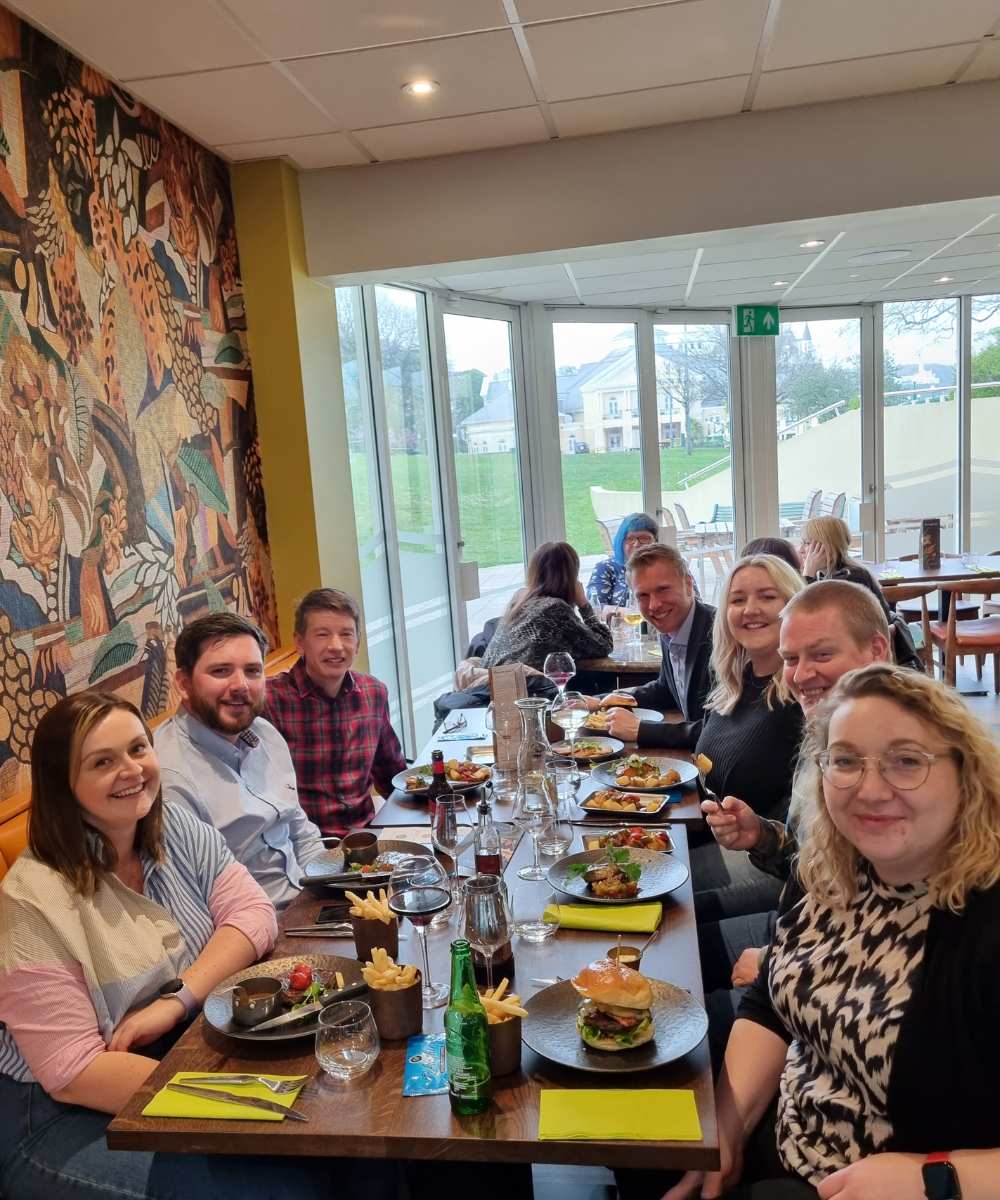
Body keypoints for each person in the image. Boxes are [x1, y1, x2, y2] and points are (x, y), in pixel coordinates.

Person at [0, 691, 404, 1200]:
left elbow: (254, 915)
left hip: (180, 1047)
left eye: (137, 749)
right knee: (285, 1185)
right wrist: (250, 1102)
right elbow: (74, 1072)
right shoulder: (33, 898)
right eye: (102, 762)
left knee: (363, 1140)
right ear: (63, 782)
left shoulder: (170, 828)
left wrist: (177, 1000)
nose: (131, 770)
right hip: (62, 1118)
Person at [658, 665, 1000, 1200]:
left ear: (966, 773)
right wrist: (728, 1123)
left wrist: (935, 1176)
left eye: (906, 761)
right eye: (845, 761)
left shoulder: (984, 919)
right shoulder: (828, 866)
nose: (870, 789)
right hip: (794, 1128)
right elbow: (770, 1000)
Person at [698, 581, 894, 1068]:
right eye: (791, 659)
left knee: (676, 1015)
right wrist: (761, 836)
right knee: (671, 952)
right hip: (799, 933)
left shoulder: (898, 762)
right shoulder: (828, 732)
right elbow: (816, 865)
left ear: (877, 649)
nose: (801, 675)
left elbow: (901, 932)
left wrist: (777, 960)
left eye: (821, 654)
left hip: (835, 978)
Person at [155, 613, 326, 909]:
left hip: (309, 902)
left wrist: (333, 892)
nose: (240, 686)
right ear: (184, 684)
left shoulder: (266, 734)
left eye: (252, 671)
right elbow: (194, 903)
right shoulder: (169, 776)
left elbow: (300, 829)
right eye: (221, 671)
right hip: (261, 934)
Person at [690, 554, 805, 922]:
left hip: (774, 868)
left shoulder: (803, 697)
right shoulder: (734, 683)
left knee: (669, 906)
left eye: (767, 597)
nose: (750, 609)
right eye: (738, 600)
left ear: (793, 604)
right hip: (720, 841)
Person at [265, 589, 405, 838]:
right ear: (299, 642)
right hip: (304, 846)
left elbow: (391, 773)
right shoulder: (271, 700)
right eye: (322, 635)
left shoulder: (374, 693)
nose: (336, 646)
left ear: (358, 643)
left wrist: (420, 824)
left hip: (367, 841)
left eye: (346, 634)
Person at [590, 543, 715, 750]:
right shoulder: (674, 628)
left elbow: (721, 731)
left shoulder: (719, 636)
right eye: (643, 595)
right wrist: (601, 701)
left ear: (689, 584)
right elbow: (665, 689)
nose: (654, 605)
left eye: (663, 589)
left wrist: (640, 730)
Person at [480, 541, 613, 672]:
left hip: (490, 685)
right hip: (519, 690)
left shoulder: (520, 598)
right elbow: (604, 645)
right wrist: (583, 603)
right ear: (571, 575)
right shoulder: (554, 608)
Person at [585, 512, 659, 608]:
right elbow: (594, 607)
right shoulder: (606, 568)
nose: (636, 544)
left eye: (644, 538)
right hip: (619, 622)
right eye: (630, 538)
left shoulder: (663, 567)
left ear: (655, 542)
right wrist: (627, 613)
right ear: (621, 542)